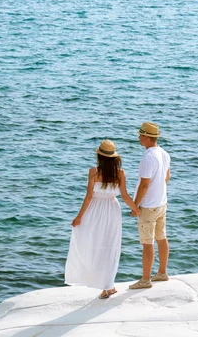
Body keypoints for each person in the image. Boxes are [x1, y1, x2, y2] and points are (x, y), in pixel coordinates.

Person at [65, 140, 139, 299]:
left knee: (92, 243)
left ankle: (102, 283)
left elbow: (89, 196)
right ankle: (108, 286)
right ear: (114, 158)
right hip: (112, 210)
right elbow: (125, 197)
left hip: (93, 210)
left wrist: (79, 217)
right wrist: (137, 209)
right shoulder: (120, 173)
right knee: (110, 246)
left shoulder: (93, 172)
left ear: (99, 156)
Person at [129, 122, 171, 289]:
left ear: (146, 137)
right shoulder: (164, 153)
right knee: (161, 238)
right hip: (162, 202)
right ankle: (162, 272)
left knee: (147, 243)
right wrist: (159, 190)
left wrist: (135, 205)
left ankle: (145, 280)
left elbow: (144, 185)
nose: (139, 137)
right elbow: (167, 177)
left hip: (148, 206)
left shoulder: (148, 157)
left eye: (140, 135)